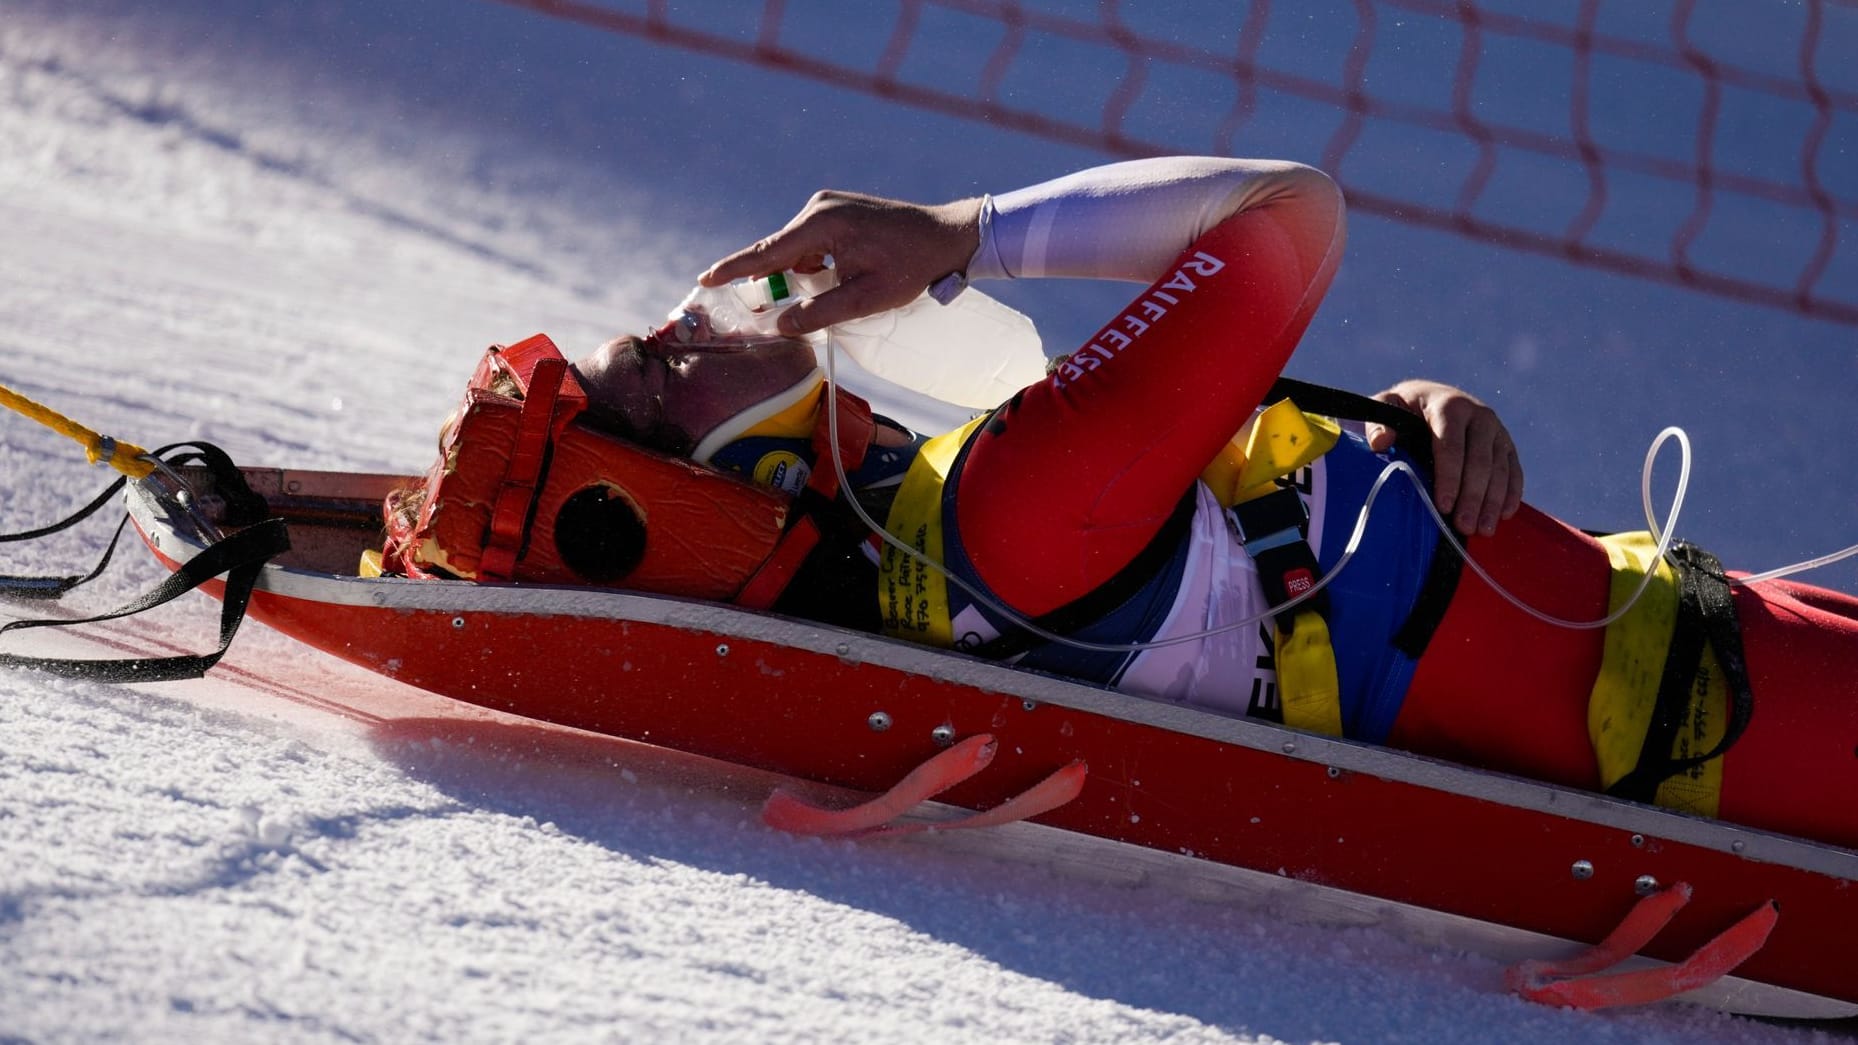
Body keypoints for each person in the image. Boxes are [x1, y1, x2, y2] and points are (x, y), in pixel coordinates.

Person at [424, 156, 1858, 849]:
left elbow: (1241, 478)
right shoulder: (1002, 515)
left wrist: (1410, 420)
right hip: (1741, 719)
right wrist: (963, 232)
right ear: (739, 473)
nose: (697, 308)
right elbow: (1286, 218)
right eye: (665, 353)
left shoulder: (957, 519)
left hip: (1703, 629)